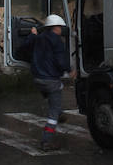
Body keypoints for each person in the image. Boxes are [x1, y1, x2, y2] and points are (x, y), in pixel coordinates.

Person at [21, 14, 75, 151]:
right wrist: (70, 71)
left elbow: (25, 47)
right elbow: (60, 60)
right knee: (53, 113)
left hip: (38, 79)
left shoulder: (38, 39)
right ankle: (46, 141)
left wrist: (32, 35)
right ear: (55, 28)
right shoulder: (57, 41)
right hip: (50, 80)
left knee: (53, 93)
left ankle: (60, 113)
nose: (61, 30)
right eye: (60, 27)